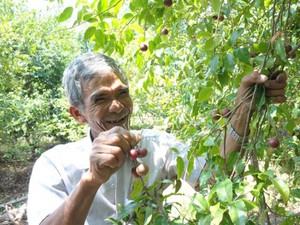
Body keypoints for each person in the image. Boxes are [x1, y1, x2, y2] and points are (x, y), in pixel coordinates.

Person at [27, 52, 287, 225]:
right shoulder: (54, 163)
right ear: (77, 114)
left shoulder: (156, 145)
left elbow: (216, 170)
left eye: (122, 93)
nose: (117, 106)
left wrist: (244, 107)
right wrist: (91, 179)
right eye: (101, 98)